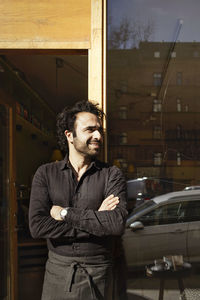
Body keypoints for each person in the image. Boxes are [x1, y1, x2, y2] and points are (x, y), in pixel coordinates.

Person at [29, 100, 128, 300]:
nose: (98, 136)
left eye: (99, 130)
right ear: (69, 136)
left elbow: (116, 223)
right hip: (58, 273)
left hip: (100, 274)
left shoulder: (111, 174)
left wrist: (64, 213)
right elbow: (37, 226)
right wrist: (97, 219)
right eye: (90, 130)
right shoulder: (45, 174)